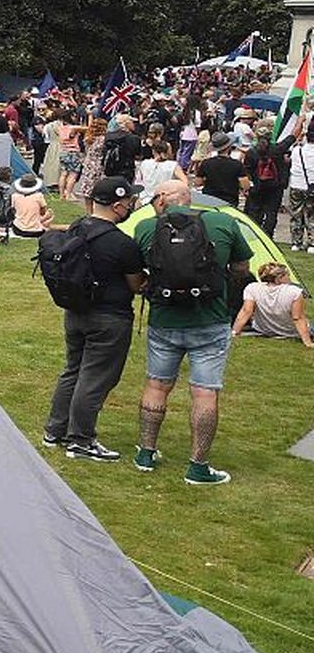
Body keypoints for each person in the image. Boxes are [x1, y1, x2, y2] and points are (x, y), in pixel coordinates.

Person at [132, 178, 252, 486]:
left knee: (156, 385)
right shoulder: (223, 222)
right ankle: (198, 466)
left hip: (164, 319)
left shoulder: (146, 228)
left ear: (161, 200)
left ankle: (146, 452)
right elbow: (241, 267)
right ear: (190, 199)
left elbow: (139, 271)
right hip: (210, 320)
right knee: (204, 391)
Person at [39, 177, 146, 461]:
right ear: (119, 205)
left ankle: (56, 429)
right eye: (129, 202)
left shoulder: (77, 228)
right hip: (109, 317)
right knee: (95, 378)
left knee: (73, 370)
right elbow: (136, 284)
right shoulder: (122, 244)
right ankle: (81, 440)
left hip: (75, 311)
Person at [230, 262, 312, 344]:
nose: (289, 278)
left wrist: (234, 332)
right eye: (287, 275)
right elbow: (298, 318)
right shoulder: (294, 292)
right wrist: (308, 342)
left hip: (263, 329)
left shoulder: (252, 288)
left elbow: (246, 311)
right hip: (289, 331)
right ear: (279, 278)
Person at [243, 117, 294, 237]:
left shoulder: (251, 153)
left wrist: (247, 186)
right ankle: (268, 234)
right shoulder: (277, 150)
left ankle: (254, 234)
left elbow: (247, 170)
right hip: (275, 186)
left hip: (257, 185)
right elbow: (291, 138)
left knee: (255, 211)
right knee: (271, 212)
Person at [192, 132, 244, 206]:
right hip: (230, 200)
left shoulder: (206, 163)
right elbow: (245, 185)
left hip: (210, 199)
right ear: (229, 147)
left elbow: (197, 182)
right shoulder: (237, 164)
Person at [286, 117, 314, 252]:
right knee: (312, 215)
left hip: (297, 184)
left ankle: (296, 242)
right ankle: (312, 243)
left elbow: (290, 158)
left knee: (296, 214)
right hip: (312, 186)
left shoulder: (297, 150)